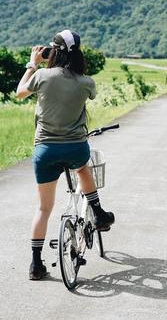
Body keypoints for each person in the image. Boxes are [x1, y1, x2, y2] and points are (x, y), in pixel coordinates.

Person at [16, 29, 115, 280]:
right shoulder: (86, 82)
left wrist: (32, 63)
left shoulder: (42, 76)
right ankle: (99, 211)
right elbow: (87, 95)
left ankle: (36, 265)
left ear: (54, 52)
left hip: (45, 150)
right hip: (74, 147)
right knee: (83, 168)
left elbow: (20, 92)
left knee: (43, 208)